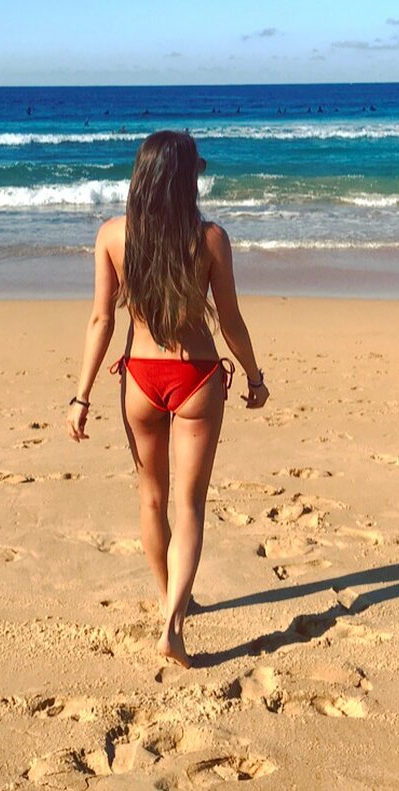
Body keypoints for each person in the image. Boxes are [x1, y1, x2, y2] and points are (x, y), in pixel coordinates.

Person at [67, 130, 269, 667]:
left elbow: (101, 320)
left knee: (151, 500)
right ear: (185, 180)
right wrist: (255, 377)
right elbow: (230, 321)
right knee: (190, 504)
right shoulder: (210, 239)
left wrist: (80, 396)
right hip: (196, 377)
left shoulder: (113, 235)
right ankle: (173, 624)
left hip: (139, 379)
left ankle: (167, 598)